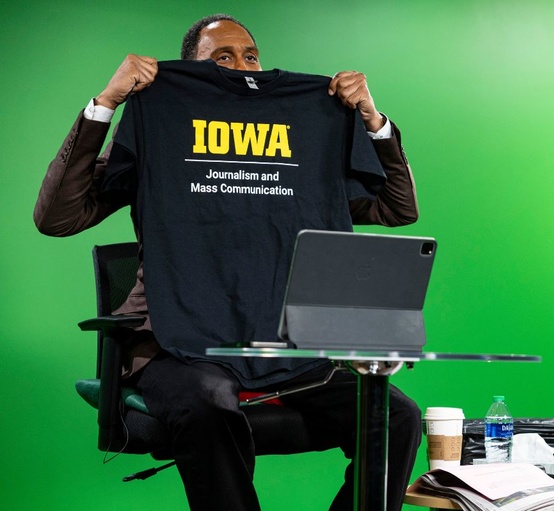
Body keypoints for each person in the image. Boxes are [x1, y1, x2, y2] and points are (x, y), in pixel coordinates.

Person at [34, 13, 421, 511]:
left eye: (250, 56)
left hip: (279, 343)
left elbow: (396, 207)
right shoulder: (165, 123)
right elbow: (58, 217)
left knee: (395, 414)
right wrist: (106, 103)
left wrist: (373, 120)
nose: (241, 68)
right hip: (174, 345)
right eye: (221, 59)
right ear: (187, 71)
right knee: (209, 400)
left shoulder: (304, 133)